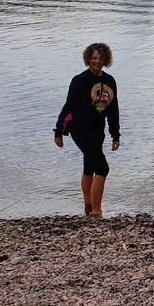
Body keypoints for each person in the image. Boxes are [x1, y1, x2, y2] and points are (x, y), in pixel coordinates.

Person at [54, 43, 120, 218]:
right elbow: (68, 106)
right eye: (94, 58)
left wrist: (115, 134)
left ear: (106, 59)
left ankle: (88, 207)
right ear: (88, 59)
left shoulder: (110, 81)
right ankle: (97, 211)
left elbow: (113, 110)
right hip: (80, 128)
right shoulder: (80, 80)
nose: (97, 61)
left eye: (100, 58)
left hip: (98, 130)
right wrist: (58, 132)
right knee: (102, 167)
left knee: (89, 167)